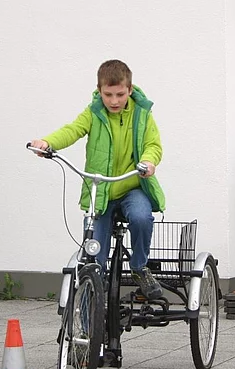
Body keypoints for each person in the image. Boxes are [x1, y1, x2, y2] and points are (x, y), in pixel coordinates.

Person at [29, 59, 166, 300]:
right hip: (100, 191)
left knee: (141, 217)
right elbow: (72, 130)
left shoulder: (142, 114)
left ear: (130, 90)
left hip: (131, 186)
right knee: (93, 259)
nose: (114, 101)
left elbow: (152, 144)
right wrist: (48, 142)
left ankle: (139, 267)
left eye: (120, 94)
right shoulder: (93, 113)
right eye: (108, 94)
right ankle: (89, 306)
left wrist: (148, 162)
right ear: (99, 90)